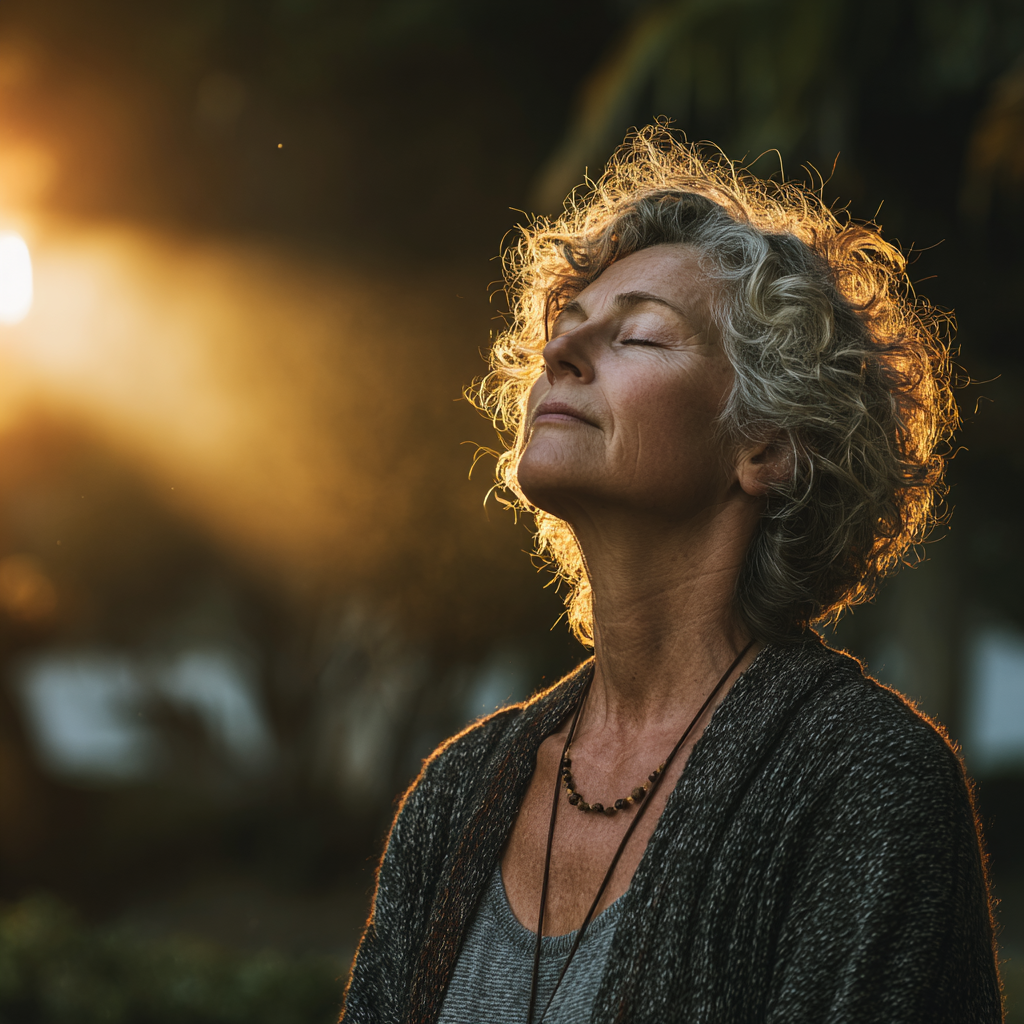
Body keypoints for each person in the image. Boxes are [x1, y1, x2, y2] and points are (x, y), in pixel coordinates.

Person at [340, 125, 1001, 1023]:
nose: (561, 357)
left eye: (641, 337)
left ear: (766, 446)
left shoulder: (864, 786)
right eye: (564, 333)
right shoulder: (457, 796)